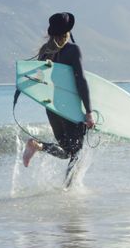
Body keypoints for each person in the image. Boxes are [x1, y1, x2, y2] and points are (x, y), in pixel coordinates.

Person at [22, 12, 95, 172]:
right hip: (69, 107)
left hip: (52, 108)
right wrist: (89, 112)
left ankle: (38, 145)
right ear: (67, 32)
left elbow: (39, 80)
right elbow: (80, 81)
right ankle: (68, 191)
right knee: (76, 154)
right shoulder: (73, 50)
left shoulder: (44, 50)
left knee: (66, 152)